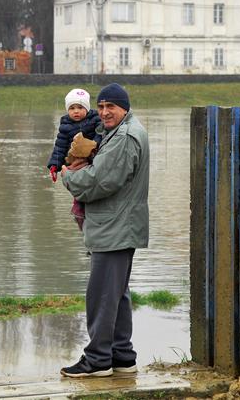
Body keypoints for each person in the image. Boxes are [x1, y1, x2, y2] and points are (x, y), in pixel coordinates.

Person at [59, 83, 150, 378]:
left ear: (124, 107)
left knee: (100, 295)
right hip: (116, 226)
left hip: (114, 228)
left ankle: (97, 359)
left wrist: (68, 177)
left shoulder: (124, 137)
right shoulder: (118, 131)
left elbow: (99, 182)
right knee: (116, 294)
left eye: (111, 106)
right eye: (100, 107)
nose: (104, 112)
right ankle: (121, 356)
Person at [46, 88, 102, 228]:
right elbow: (59, 147)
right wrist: (54, 166)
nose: (76, 111)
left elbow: (100, 134)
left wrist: (95, 145)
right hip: (75, 161)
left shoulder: (95, 120)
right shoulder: (65, 125)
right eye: (72, 108)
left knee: (91, 184)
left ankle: (90, 210)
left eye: (80, 107)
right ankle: (79, 210)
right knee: (78, 186)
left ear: (87, 108)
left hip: (92, 158)